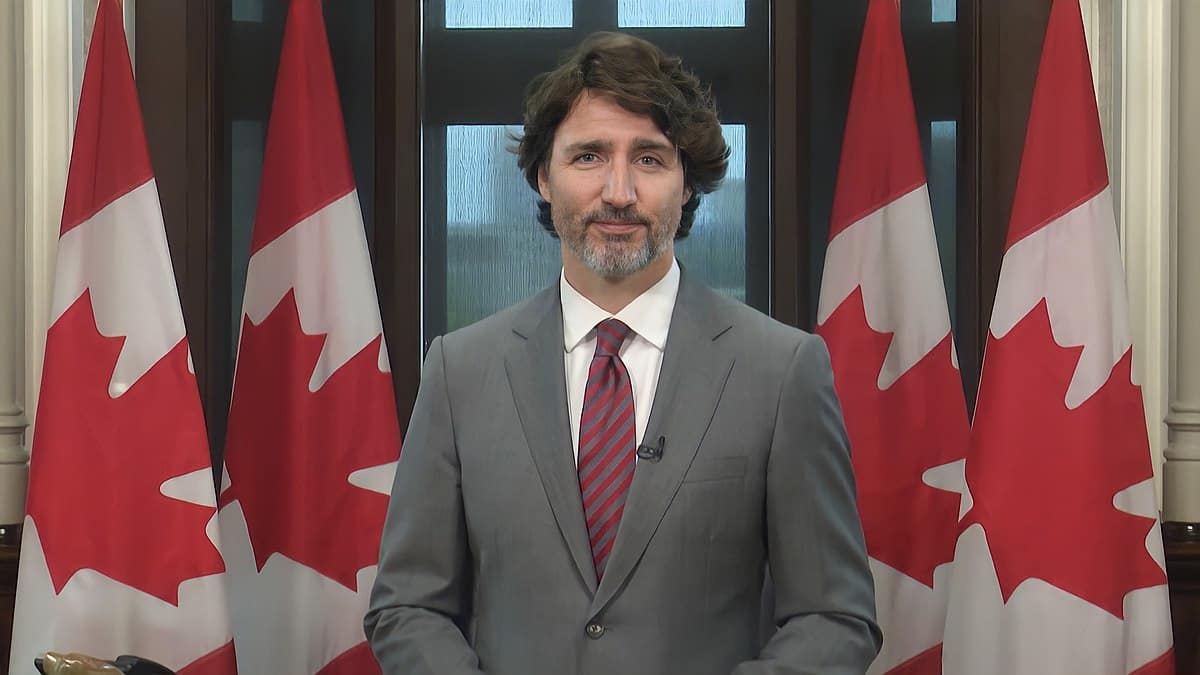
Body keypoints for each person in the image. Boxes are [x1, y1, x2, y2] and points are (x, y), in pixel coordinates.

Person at [365, 31, 881, 675]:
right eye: (588, 156)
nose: (618, 191)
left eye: (649, 159)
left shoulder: (782, 371)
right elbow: (407, 606)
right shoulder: (459, 371)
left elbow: (835, 618)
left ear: (686, 183)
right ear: (543, 177)